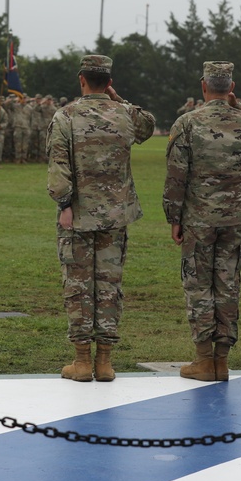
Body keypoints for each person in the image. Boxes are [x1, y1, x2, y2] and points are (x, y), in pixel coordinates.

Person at [47, 54, 156, 382]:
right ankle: (105, 362)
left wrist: (65, 204)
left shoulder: (66, 115)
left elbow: (58, 166)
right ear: (108, 82)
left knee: (78, 286)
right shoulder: (124, 114)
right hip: (115, 216)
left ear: (81, 79)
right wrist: (119, 98)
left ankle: (82, 362)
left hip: (78, 215)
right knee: (109, 286)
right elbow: (148, 125)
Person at [163, 62, 241, 381]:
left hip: (199, 215)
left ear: (203, 85)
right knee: (228, 283)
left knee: (198, 284)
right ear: (231, 87)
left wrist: (174, 216)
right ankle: (222, 359)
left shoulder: (188, 122)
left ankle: (204, 359)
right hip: (234, 216)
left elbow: (176, 175)